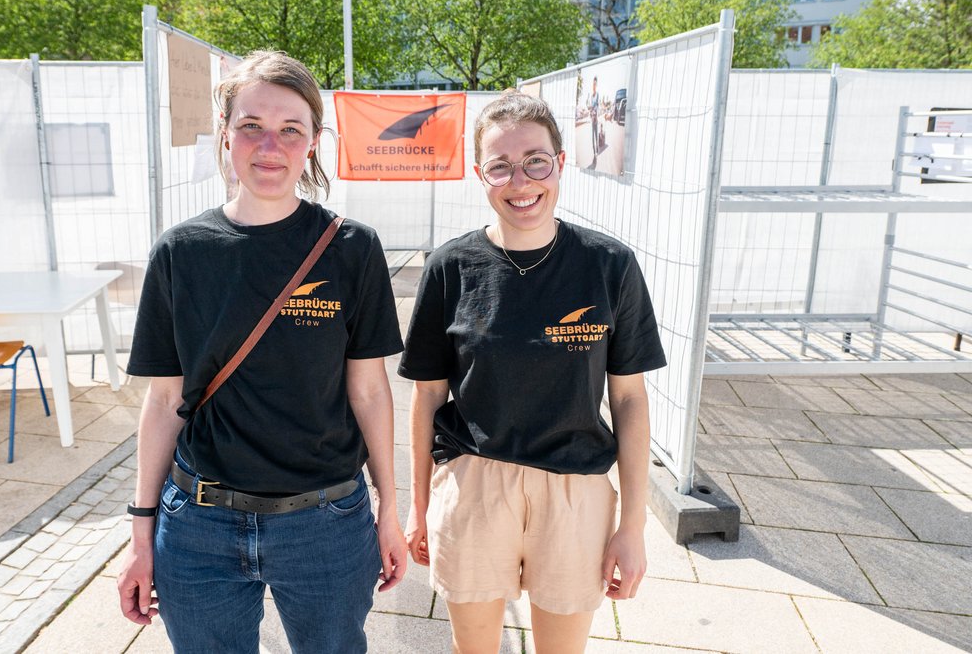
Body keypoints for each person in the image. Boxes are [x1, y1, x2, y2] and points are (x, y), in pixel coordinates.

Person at [117, 50, 408, 654]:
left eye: (290, 129)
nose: (268, 145)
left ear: (313, 143)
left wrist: (390, 509)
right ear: (226, 136)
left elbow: (370, 391)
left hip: (324, 522)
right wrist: (141, 533)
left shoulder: (352, 248)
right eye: (251, 126)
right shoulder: (182, 251)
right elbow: (164, 400)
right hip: (199, 525)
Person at [399, 91, 666, 654]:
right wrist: (418, 507)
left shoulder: (609, 266)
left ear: (560, 164)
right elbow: (426, 400)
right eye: (501, 166)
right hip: (474, 486)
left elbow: (630, 402)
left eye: (535, 161)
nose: (521, 182)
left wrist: (633, 527)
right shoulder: (451, 268)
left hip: (575, 493)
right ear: (480, 174)